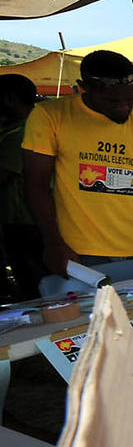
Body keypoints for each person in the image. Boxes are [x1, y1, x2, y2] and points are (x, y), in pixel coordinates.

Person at [23, 50, 133, 277]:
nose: (123, 106)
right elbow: (34, 184)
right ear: (82, 87)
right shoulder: (50, 117)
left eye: (130, 98)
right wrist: (53, 242)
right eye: (111, 100)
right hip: (82, 252)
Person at [0, 74, 48, 300]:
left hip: (25, 221)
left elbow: (3, 175)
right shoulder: (39, 123)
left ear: (9, 99)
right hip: (29, 219)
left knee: (35, 285)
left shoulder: (20, 132)